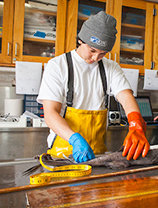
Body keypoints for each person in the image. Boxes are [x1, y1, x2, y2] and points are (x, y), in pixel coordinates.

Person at [37, 11, 150, 163]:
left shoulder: (111, 67)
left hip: (97, 156)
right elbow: (50, 114)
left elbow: (126, 96)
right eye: (92, 50)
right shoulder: (58, 66)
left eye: (102, 54)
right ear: (80, 40)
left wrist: (136, 124)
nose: (96, 58)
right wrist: (75, 139)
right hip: (62, 155)